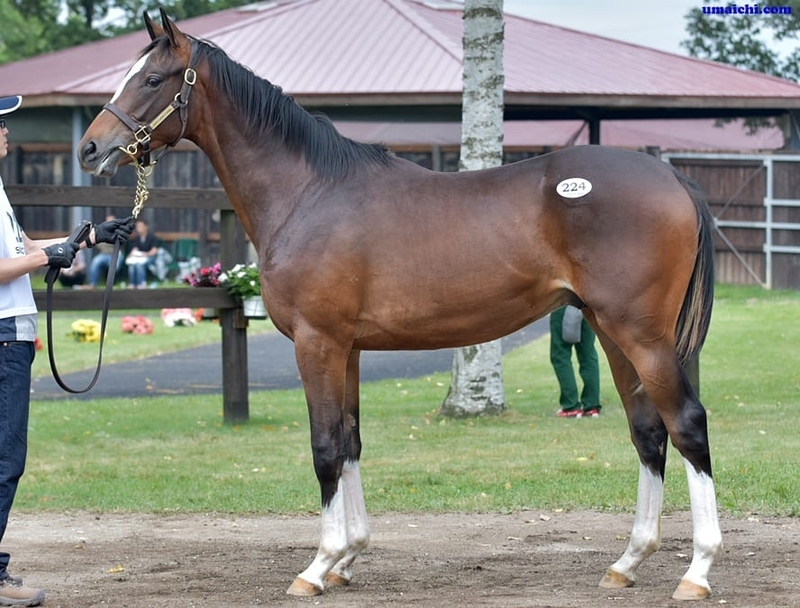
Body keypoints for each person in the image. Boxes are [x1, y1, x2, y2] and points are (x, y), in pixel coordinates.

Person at [0, 95, 134, 606]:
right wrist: (45, 258)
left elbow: (21, 250)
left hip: (11, 335)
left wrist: (86, 236)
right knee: (5, 459)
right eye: (0, 124)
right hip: (3, 337)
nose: (7, 132)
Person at [549, 305, 602, 418]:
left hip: (563, 305)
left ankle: (571, 406)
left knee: (560, 355)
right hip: (587, 306)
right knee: (588, 355)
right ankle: (592, 405)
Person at [85, 215, 124, 289]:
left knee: (115, 265)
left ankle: (112, 284)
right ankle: (92, 284)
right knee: (95, 261)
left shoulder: (119, 232)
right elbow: (97, 243)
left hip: (115, 254)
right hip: (104, 254)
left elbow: (120, 245)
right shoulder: (102, 230)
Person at [125, 218, 159, 288]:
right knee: (132, 265)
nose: (139, 228)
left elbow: (154, 250)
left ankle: (142, 283)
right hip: (139, 257)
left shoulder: (152, 237)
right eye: (138, 227)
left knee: (139, 265)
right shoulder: (138, 238)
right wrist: (131, 255)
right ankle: (133, 284)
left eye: (141, 226)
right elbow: (135, 248)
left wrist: (145, 254)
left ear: (146, 227)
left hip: (150, 257)